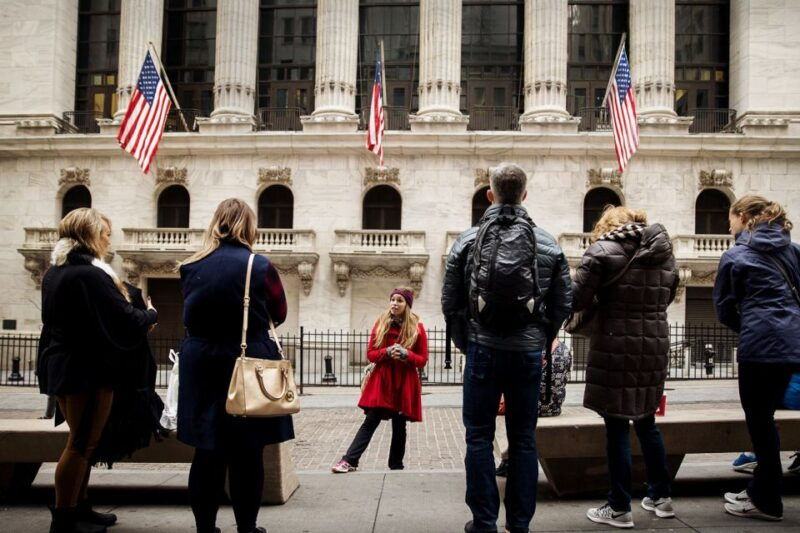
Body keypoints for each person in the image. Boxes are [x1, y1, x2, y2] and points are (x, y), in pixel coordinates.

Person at [442, 163, 572, 533]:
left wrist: (467, 342)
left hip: (483, 350)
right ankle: (519, 523)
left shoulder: (466, 241)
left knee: (479, 436)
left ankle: (483, 521)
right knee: (523, 438)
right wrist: (543, 339)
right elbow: (564, 302)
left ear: (490, 194)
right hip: (528, 353)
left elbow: (450, 303)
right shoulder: (547, 243)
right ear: (525, 196)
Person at [37, 208, 158, 533]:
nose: (108, 240)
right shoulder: (90, 274)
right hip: (86, 371)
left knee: (85, 443)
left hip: (68, 366)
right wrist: (150, 313)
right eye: (105, 234)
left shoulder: (56, 271)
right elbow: (125, 318)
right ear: (89, 236)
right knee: (80, 443)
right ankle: (64, 518)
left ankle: (79, 506)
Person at [178, 198, 293, 533]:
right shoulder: (258, 266)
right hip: (246, 362)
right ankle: (247, 526)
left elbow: (192, 312)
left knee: (207, 450)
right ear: (249, 226)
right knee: (247, 452)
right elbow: (279, 312)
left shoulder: (191, 266)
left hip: (200, 363)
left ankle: (205, 527)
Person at [572, 206, 679, 529]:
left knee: (617, 424)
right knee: (646, 420)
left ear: (607, 226)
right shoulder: (664, 254)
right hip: (655, 344)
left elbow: (576, 299)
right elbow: (668, 295)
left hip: (616, 343)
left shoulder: (602, 250)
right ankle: (661, 496)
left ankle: (619, 506)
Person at [714, 195, 800, 521]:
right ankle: (761, 488)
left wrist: (750, 326)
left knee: (761, 423)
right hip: (795, 343)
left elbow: (724, 309)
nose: (729, 225)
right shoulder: (792, 249)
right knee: (768, 421)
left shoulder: (736, 255)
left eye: (730, 218)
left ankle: (767, 498)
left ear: (744, 217)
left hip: (761, 348)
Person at [332, 287, 428, 473]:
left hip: (404, 382)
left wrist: (407, 354)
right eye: (392, 299)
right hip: (383, 382)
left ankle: (396, 466)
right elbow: (371, 354)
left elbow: (422, 359)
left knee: (400, 427)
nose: (394, 303)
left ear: (406, 304)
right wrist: (386, 352)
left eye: (399, 300)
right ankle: (349, 460)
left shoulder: (417, 328)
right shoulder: (381, 323)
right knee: (371, 421)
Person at [495, 337, 572, 477]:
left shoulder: (530, 349)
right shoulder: (564, 349)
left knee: (511, 418)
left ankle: (508, 461)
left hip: (530, 405)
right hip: (553, 406)